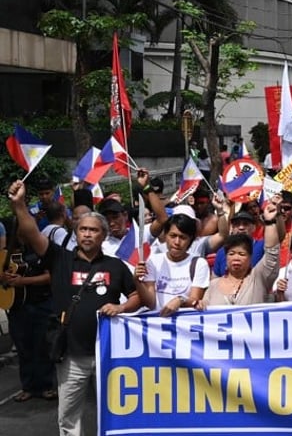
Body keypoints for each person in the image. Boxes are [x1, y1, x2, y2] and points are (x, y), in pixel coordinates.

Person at [9, 179, 140, 436]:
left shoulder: (116, 266)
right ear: (76, 232)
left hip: (110, 357)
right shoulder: (60, 259)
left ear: (103, 235)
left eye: (93, 230)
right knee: (69, 418)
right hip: (71, 357)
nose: (87, 234)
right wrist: (19, 205)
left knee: (115, 413)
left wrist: (121, 307)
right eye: (83, 230)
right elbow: (32, 233)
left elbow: (137, 297)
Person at [2, 216, 56, 402]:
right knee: (24, 347)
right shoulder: (9, 251)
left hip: (40, 303)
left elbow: (50, 277)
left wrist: (23, 281)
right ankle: (28, 386)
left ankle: (46, 385)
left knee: (41, 345)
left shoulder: (42, 249)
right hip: (17, 306)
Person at [198, 195, 284, 308]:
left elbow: (272, 250)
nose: (236, 258)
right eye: (231, 254)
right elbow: (205, 309)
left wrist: (270, 221)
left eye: (242, 254)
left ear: (250, 258)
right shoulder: (213, 286)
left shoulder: (257, 279)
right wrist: (199, 306)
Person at [134, 213, 211, 315]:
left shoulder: (199, 264)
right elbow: (151, 303)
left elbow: (195, 299)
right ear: (165, 235)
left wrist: (180, 300)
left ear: (190, 240)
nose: (177, 242)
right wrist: (137, 281)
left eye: (183, 237)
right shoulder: (153, 261)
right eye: (173, 236)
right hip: (157, 323)